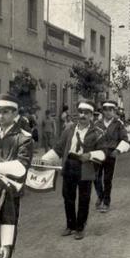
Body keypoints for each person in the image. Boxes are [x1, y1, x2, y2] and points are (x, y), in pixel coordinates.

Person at [0, 94, 34, 258]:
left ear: (15, 113)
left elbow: (22, 165)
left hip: (11, 187)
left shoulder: (24, 137)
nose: (1, 116)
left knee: (8, 221)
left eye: (6, 112)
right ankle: (6, 246)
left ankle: (5, 257)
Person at [48, 101, 106, 239]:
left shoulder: (98, 132)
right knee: (68, 197)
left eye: (86, 113)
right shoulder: (69, 129)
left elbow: (104, 152)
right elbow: (59, 148)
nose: (82, 115)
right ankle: (70, 225)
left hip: (86, 167)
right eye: (80, 112)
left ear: (91, 115)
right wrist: (44, 160)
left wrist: (91, 155)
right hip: (69, 165)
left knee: (84, 198)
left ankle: (80, 228)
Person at [94, 100, 129, 213]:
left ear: (114, 111)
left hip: (110, 154)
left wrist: (118, 150)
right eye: (106, 110)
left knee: (107, 179)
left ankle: (106, 202)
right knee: (96, 178)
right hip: (98, 153)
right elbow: (91, 139)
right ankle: (101, 195)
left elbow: (125, 139)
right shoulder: (97, 124)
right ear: (103, 111)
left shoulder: (118, 124)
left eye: (111, 110)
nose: (108, 112)